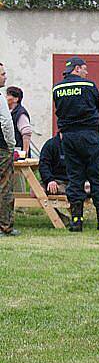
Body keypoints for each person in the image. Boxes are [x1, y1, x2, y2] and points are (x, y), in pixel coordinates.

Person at [52, 56, 99, 231]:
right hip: (89, 136)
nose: (86, 72)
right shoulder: (89, 86)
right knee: (96, 176)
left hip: (68, 137)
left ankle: (76, 221)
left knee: (75, 177)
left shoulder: (57, 88)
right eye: (84, 68)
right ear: (77, 68)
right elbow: (96, 105)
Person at [0, 63, 18, 236]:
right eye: (3, 74)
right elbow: (6, 123)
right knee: (5, 187)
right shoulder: (0, 99)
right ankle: (5, 226)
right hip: (1, 148)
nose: (5, 77)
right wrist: (11, 145)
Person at [6, 86, 32, 157]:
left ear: (16, 99)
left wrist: (24, 154)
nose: (6, 97)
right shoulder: (8, 113)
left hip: (18, 153)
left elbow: (27, 133)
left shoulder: (20, 113)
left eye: (8, 95)